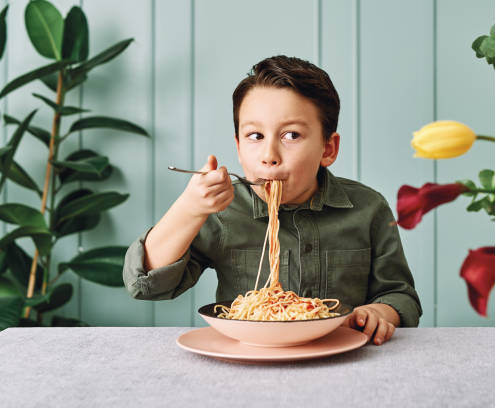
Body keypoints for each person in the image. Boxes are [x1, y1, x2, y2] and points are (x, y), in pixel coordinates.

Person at [123, 55, 422, 345]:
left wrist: (379, 312)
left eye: (291, 135)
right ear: (239, 147)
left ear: (328, 149)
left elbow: (400, 294)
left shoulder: (367, 208)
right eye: (255, 136)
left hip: (342, 360)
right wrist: (188, 209)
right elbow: (145, 285)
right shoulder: (221, 212)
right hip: (248, 363)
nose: (269, 157)